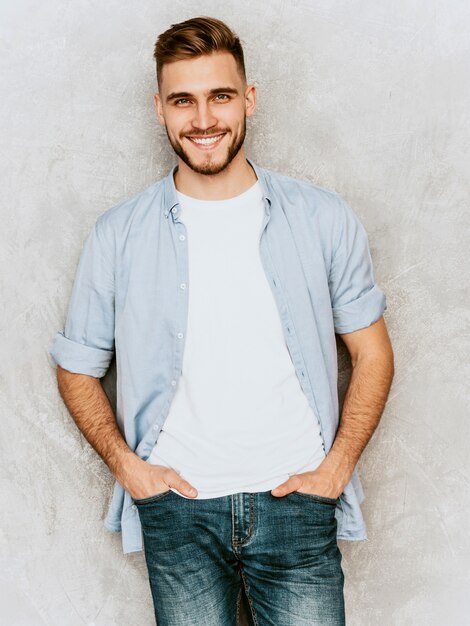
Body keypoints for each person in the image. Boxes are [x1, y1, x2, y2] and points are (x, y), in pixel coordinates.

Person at [49, 15, 394, 626]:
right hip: (176, 512)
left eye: (220, 96)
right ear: (159, 109)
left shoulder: (321, 218)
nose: (203, 119)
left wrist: (335, 469)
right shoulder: (118, 234)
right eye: (184, 100)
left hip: (299, 505)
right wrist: (132, 471)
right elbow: (77, 367)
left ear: (249, 99)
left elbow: (372, 353)